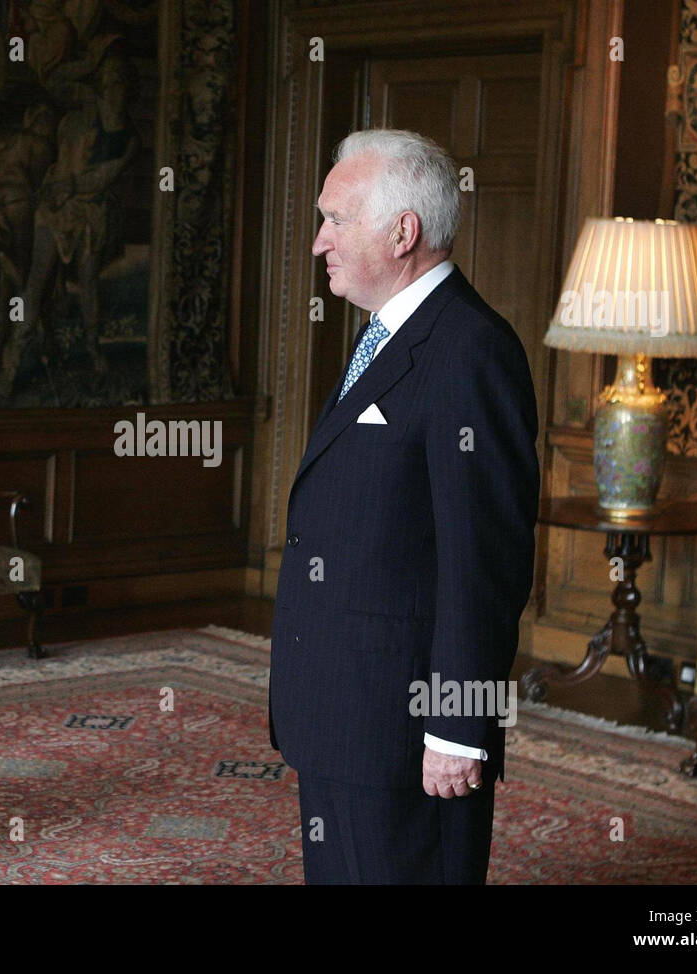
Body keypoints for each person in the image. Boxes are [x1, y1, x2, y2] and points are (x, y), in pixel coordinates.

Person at [268, 130, 539, 884]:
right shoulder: (385, 337)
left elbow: (487, 559)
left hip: (407, 726)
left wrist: (458, 725)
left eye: (335, 220)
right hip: (344, 713)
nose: (319, 240)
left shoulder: (471, 350)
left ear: (403, 231)